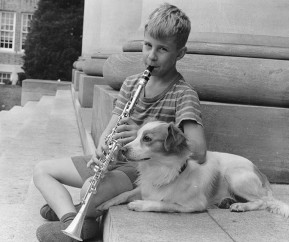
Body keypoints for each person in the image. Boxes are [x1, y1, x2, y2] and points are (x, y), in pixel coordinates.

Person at [33, 3, 207, 241]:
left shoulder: (183, 94)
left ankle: (77, 216)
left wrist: (142, 135)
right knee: (42, 171)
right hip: (114, 160)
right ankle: (72, 221)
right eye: (147, 45)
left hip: (139, 171)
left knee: (88, 191)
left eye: (162, 49)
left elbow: (198, 151)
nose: (151, 55)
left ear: (180, 53)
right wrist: (102, 150)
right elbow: (109, 129)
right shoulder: (132, 83)